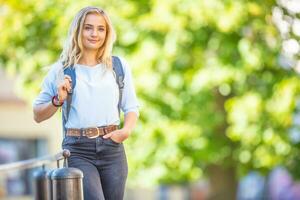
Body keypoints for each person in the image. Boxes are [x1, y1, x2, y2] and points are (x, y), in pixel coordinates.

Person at [33, 6, 139, 200]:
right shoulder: (61, 70)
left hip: (113, 148)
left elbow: (131, 107)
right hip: (78, 149)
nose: (94, 34)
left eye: (101, 29)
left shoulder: (118, 66)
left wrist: (126, 131)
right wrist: (58, 100)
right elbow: (38, 114)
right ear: (78, 31)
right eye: (88, 28)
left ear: (107, 34)